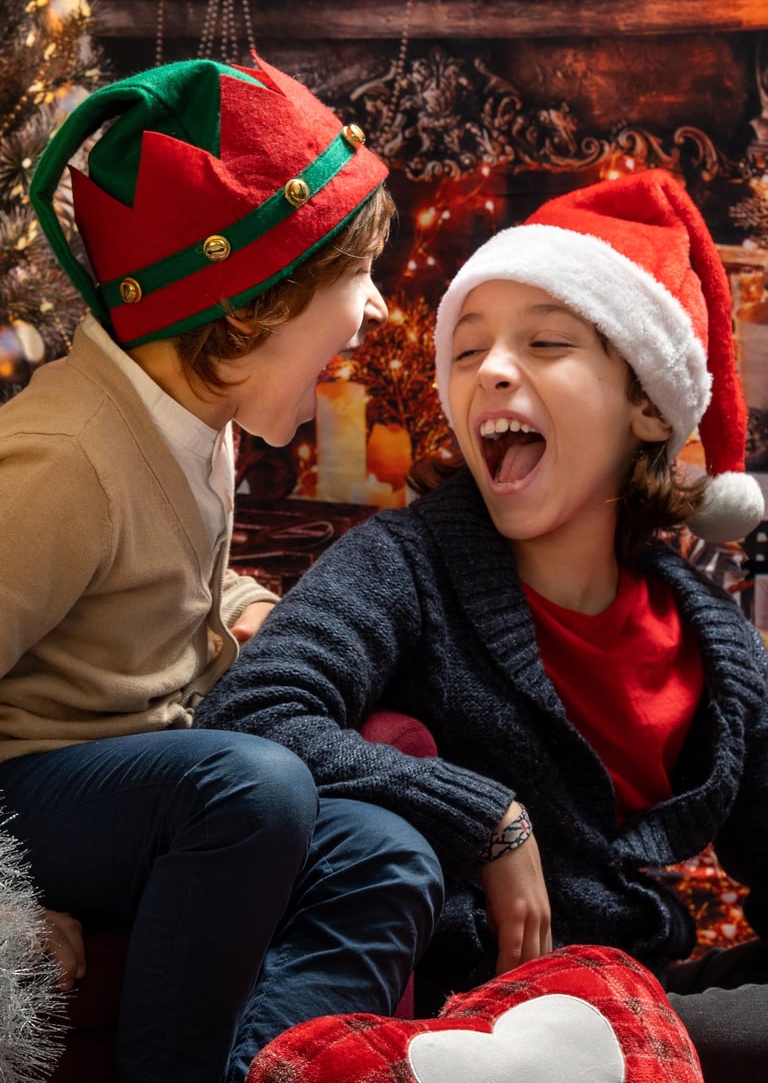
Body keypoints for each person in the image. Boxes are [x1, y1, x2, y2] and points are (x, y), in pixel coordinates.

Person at [195, 168, 768, 1082]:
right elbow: (251, 716)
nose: (494, 368)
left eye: (546, 343)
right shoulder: (403, 564)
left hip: (636, 999)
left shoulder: (716, 646)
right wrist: (486, 815)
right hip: (467, 1016)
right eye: (467, 352)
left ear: (648, 404)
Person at [0, 55, 443, 1083]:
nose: (376, 311)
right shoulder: (63, 460)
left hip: (157, 784)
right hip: (36, 791)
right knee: (255, 786)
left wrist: (252, 615)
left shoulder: (203, 412)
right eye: (353, 277)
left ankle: (263, 1070)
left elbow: (167, 589)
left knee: (391, 855)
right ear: (252, 305)